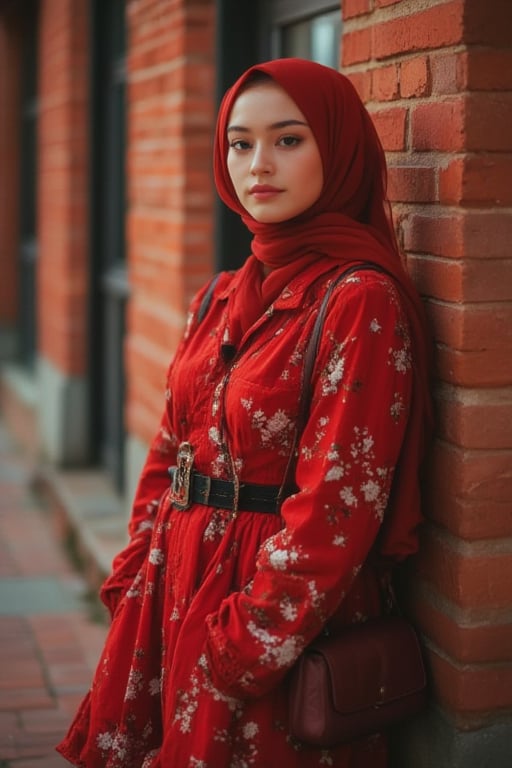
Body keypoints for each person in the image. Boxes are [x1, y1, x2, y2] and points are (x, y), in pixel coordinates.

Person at [57, 57, 432, 768]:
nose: (259, 164)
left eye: (288, 140)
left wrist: (246, 642)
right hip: (174, 587)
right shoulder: (221, 294)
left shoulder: (359, 299)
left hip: (266, 616)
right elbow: (171, 448)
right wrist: (135, 570)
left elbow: (340, 503)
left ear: (339, 145)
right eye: (240, 143)